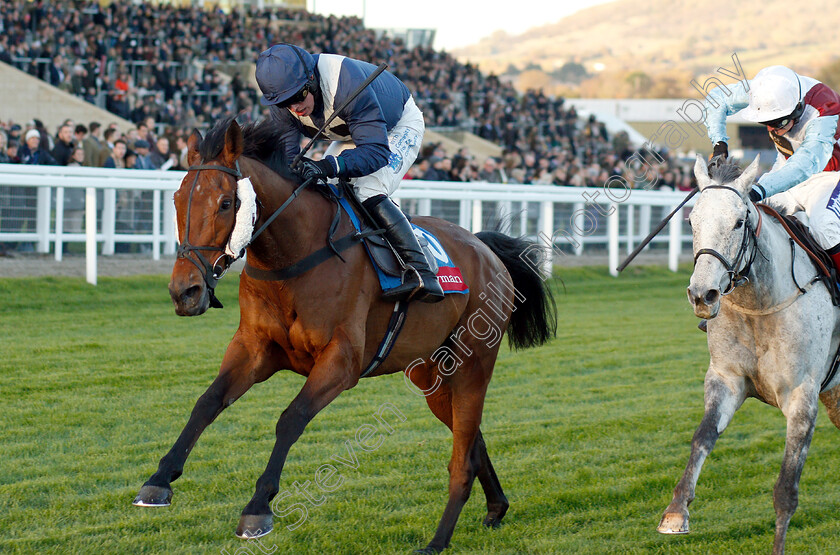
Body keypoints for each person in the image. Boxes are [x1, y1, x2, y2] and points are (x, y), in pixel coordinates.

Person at [255, 43, 443, 303]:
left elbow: (376, 152)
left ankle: (421, 270)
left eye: (298, 96)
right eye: (285, 103)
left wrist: (328, 165)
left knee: (367, 188)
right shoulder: (283, 100)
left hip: (395, 126)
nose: (295, 108)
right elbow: (286, 165)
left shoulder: (345, 83)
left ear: (311, 78)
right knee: (322, 187)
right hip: (355, 129)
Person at [704, 65, 840, 269]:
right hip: (783, 169)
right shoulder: (764, 91)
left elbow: (806, 164)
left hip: (829, 178)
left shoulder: (825, 108)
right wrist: (719, 145)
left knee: (825, 230)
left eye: (779, 121)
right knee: (747, 216)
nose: (772, 129)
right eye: (765, 122)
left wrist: (760, 189)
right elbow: (716, 98)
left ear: (799, 107)